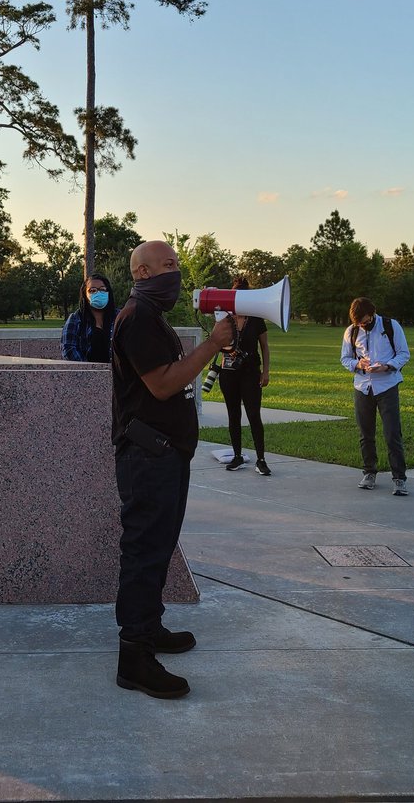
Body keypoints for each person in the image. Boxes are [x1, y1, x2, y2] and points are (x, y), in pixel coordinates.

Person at [111, 240, 234, 698]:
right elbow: (162, 384)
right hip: (148, 456)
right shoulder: (137, 318)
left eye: (177, 264)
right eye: (167, 265)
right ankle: (134, 656)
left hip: (163, 453)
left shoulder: (151, 316)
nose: (176, 272)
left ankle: (150, 627)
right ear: (142, 274)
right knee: (144, 551)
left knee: (158, 546)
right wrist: (212, 345)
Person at [340, 297, 411, 495]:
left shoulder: (390, 326)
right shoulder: (351, 331)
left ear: (372, 314)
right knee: (365, 434)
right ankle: (369, 472)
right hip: (363, 387)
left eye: (365, 321)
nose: (362, 325)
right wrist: (358, 365)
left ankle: (399, 478)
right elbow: (345, 358)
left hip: (387, 385)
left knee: (392, 433)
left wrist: (387, 366)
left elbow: (404, 354)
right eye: (358, 323)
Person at [218, 275, 272, 475]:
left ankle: (261, 459)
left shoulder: (256, 319)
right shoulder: (225, 318)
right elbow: (217, 342)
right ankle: (237, 455)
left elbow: (264, 347)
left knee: (253, 415)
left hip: (250, 373)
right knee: (233, 415)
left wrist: (265, 371)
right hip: (228, 373)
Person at [61, 274, 119, 362]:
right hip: (86, 372)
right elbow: (68, 349)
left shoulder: (119, 316)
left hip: (117, 372)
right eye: (92, 290)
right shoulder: (76, 319)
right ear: (85, 294)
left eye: (102, 289)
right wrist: (89, 369)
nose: (98, 293)